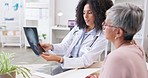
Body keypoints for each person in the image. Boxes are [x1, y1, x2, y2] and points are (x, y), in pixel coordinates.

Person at [40, 0, 113, 75]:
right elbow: (65, 46)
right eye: (84, 12)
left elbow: (85, 61)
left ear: (99, 14)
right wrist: (51, 47)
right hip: (66, 66)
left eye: (90, 12)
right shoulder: (78, 28)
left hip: (82, 70)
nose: (85, 16)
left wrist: (60, 59)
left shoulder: (102, 37)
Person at [86, 3, 148, 78]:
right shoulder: (138, 48)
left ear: (118, 32)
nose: (103, 26)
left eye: (106, 24)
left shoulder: (116, 57)